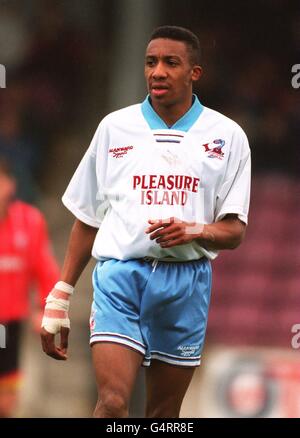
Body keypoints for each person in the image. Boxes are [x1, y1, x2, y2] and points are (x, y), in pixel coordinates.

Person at [40, 25, 251, 418]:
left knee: (163, 415)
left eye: (172, 63)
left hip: (186, 283)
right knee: (114, 403)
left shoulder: (228, 137)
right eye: (151, 62)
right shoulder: (114, 129)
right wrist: (60, 297)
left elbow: (234, 232)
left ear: (195, 73)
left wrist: (194, 230)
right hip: (121, 277)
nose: (158, 71)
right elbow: (88, 218)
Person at [0, 158, 60, 417]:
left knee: (6, 399)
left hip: (6, 325)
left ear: (10, 184)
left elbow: (46, 271)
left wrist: (45, 309)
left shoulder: (30, 221)